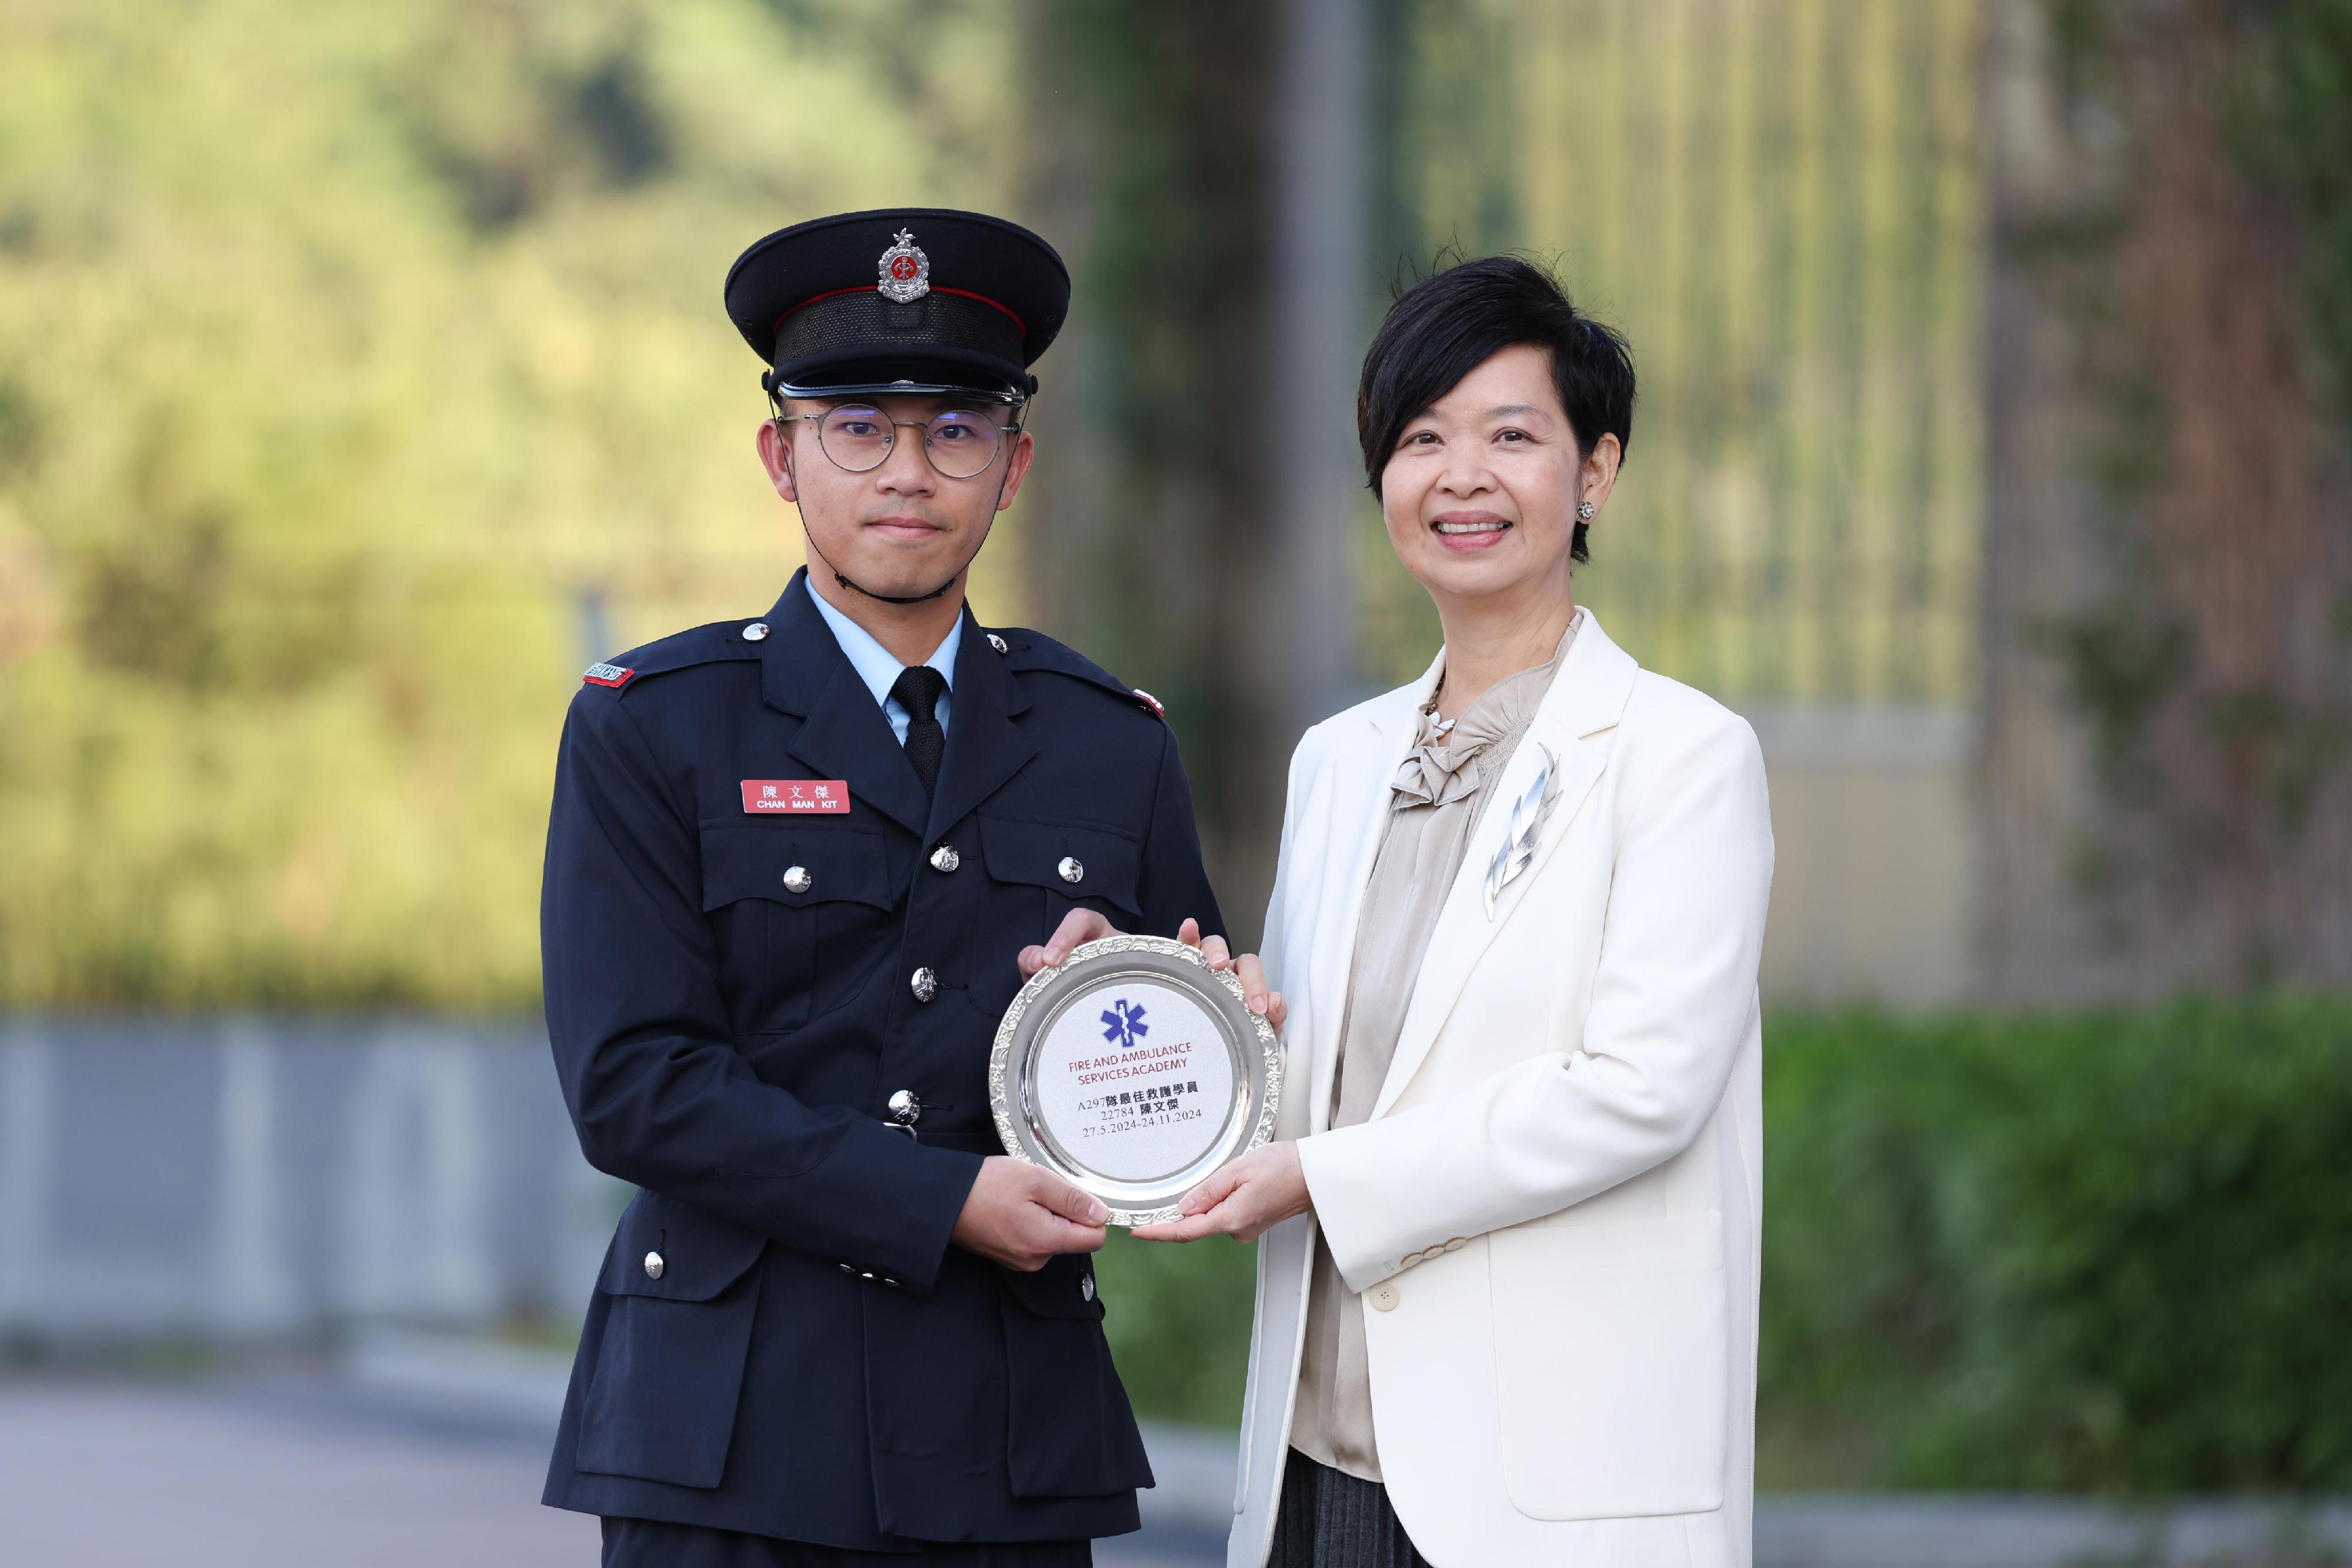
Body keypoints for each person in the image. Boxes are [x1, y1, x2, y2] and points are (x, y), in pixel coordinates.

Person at [538, 208, 1239, 1567]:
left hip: (1007, 1436)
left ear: (1014, 464)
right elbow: (632, 1084)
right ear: (780, 455)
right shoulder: (653, 724)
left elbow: (1179, 1094)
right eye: (857, 426)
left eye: (955, 430)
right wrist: (938, 1200)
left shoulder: (1111, 741)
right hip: (732, 1437)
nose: (907, 471)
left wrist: (1132, 1001)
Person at [1132, 257, 1775, 1568]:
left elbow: (1638, 1087)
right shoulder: (1339, 758)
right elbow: (1324, 1070)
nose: (1459, 474)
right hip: (1315, 1466)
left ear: (1592, 474)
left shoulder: (1678, 753)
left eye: (1510, 435)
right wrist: (1175, 1023)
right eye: (1420, 437)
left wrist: (1318, 1173)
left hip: (1543, 1491)